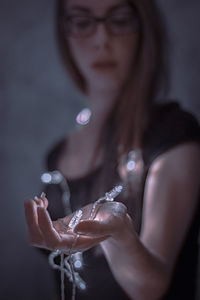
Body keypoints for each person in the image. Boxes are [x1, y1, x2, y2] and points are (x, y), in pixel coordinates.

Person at [24, 0, 200, 299]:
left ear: (143, 30)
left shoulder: (172, 134)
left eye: (119, 20)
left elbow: (149, 288)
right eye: (82, 22)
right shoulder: (57, 155)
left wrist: (117, 235)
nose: (102, 39)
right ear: (64, 32)